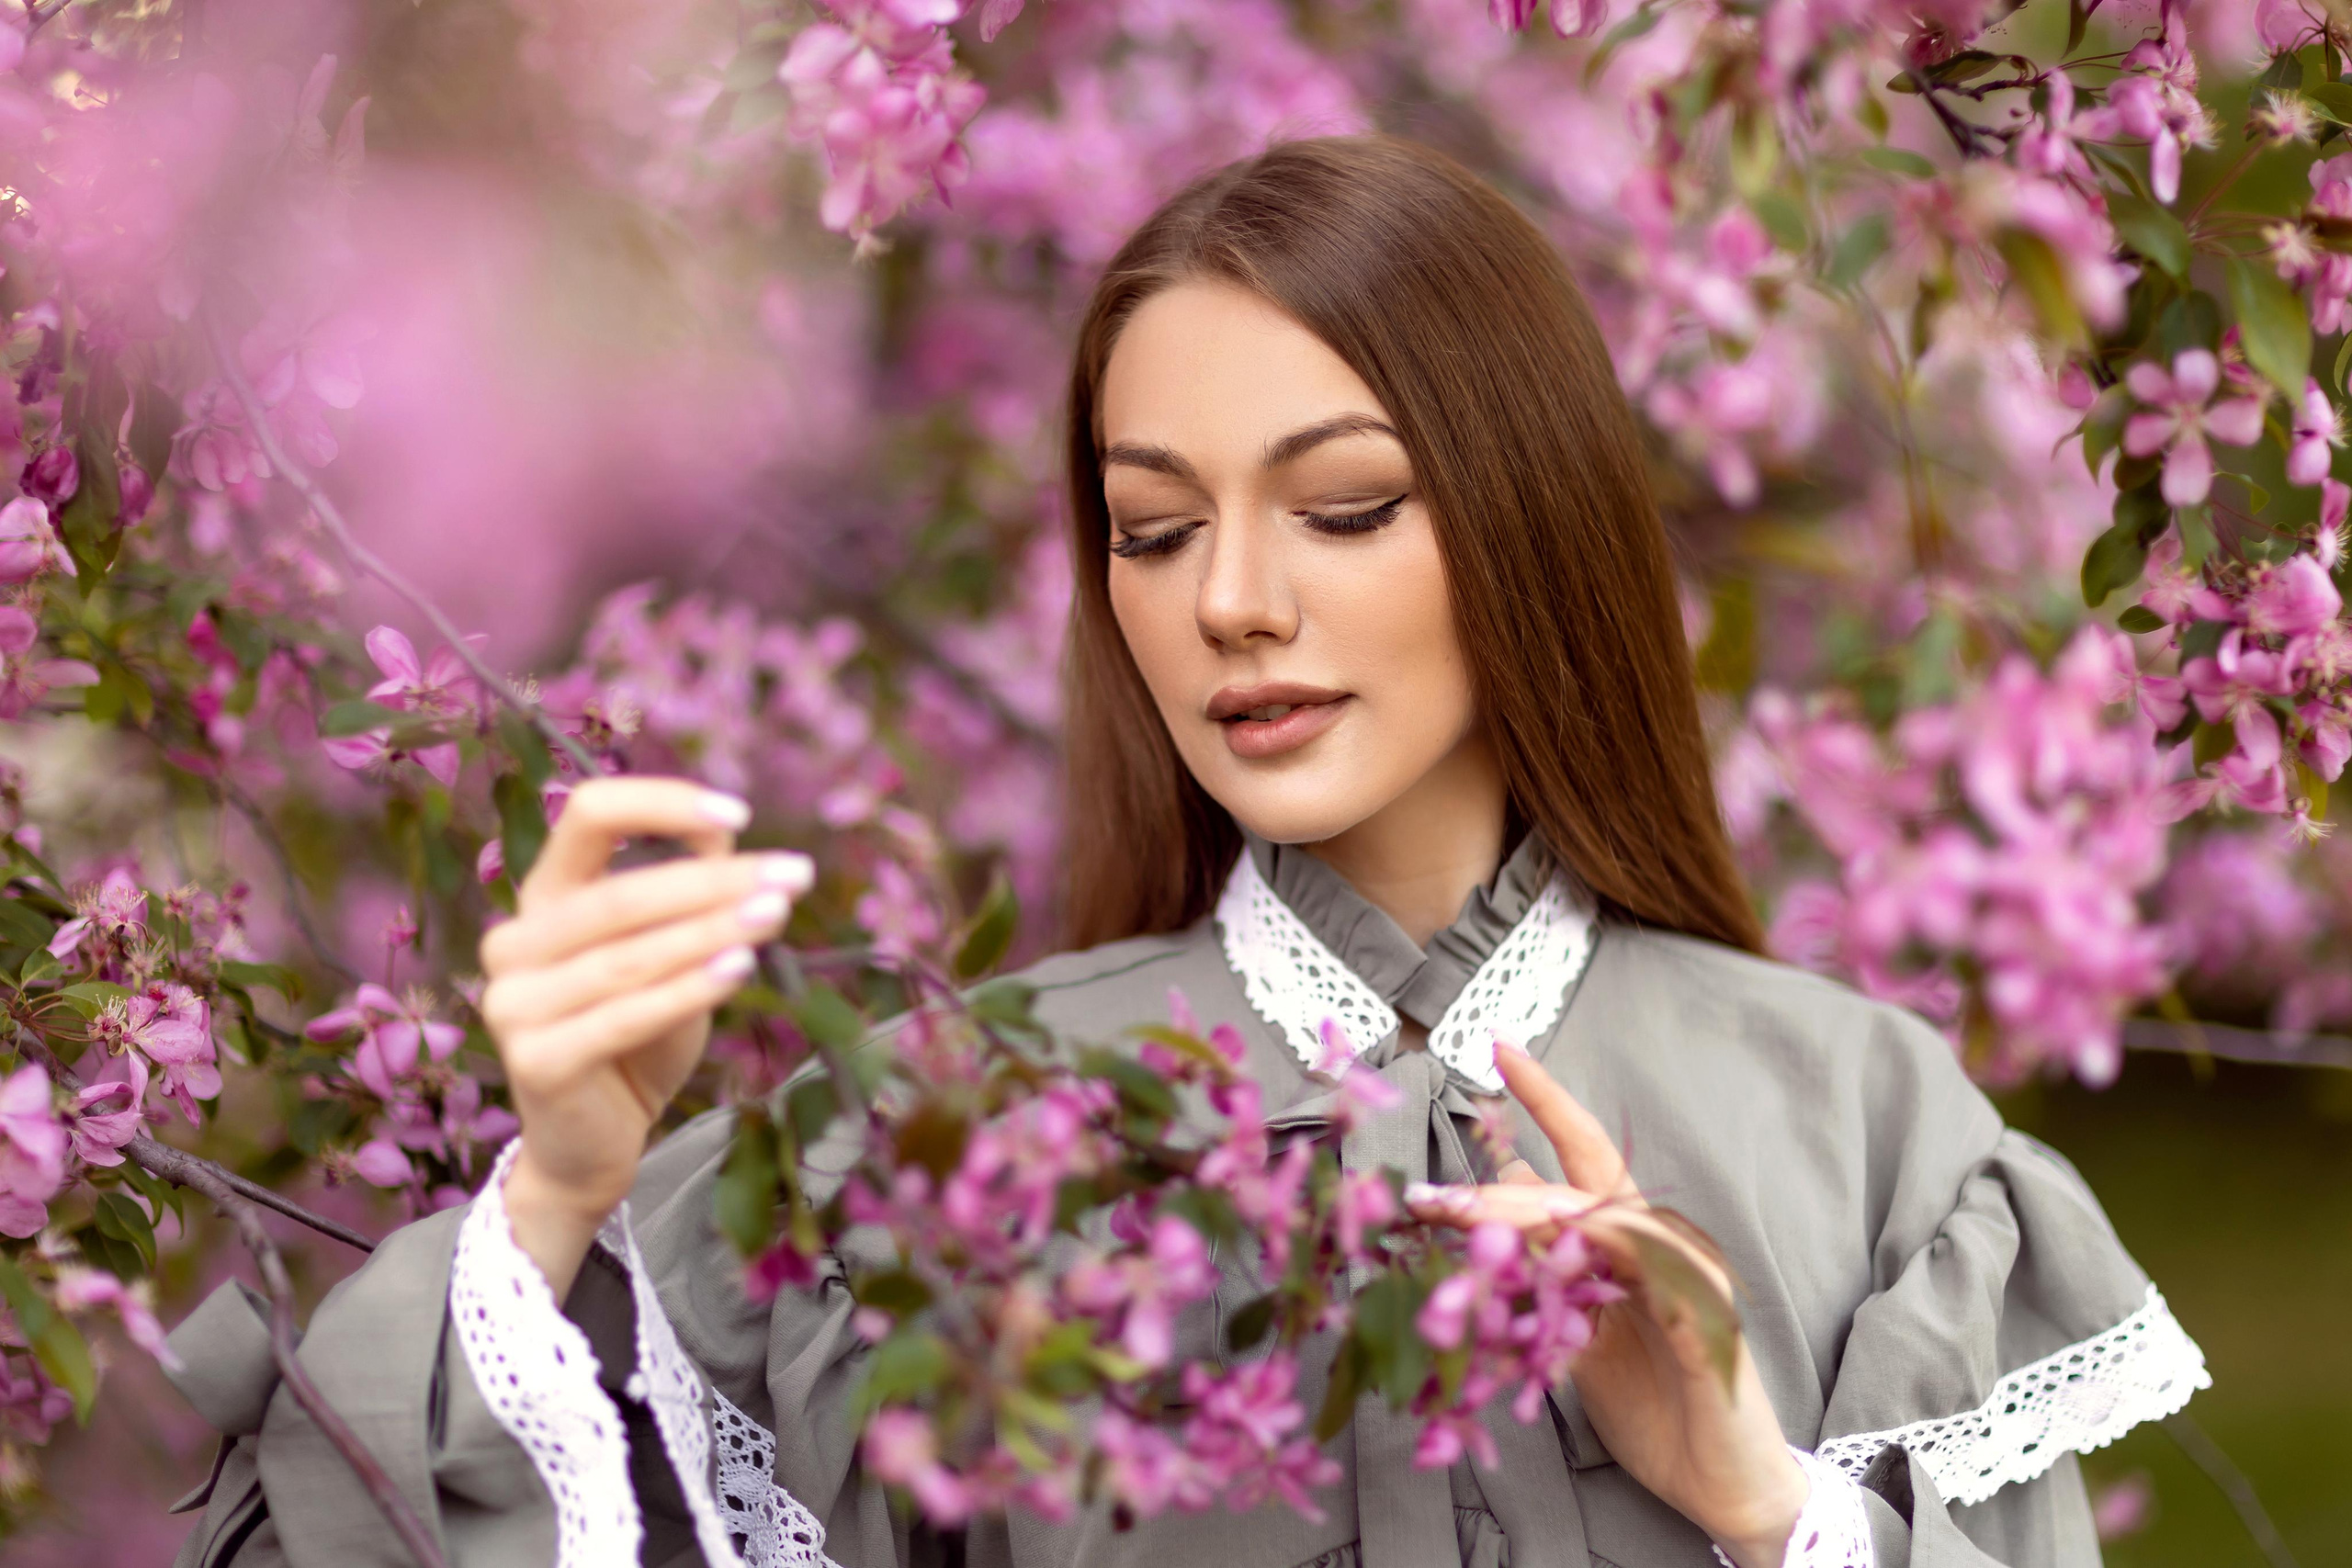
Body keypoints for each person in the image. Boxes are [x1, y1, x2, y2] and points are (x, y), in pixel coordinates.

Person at [162, 136, 2206, 1568]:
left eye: (1342, 506)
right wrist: (560, 1198)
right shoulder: (936, 1133)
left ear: (1527, 512)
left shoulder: (1865, 1128)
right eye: (1152, 529)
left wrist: (1767, 1504)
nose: (1229, 600)